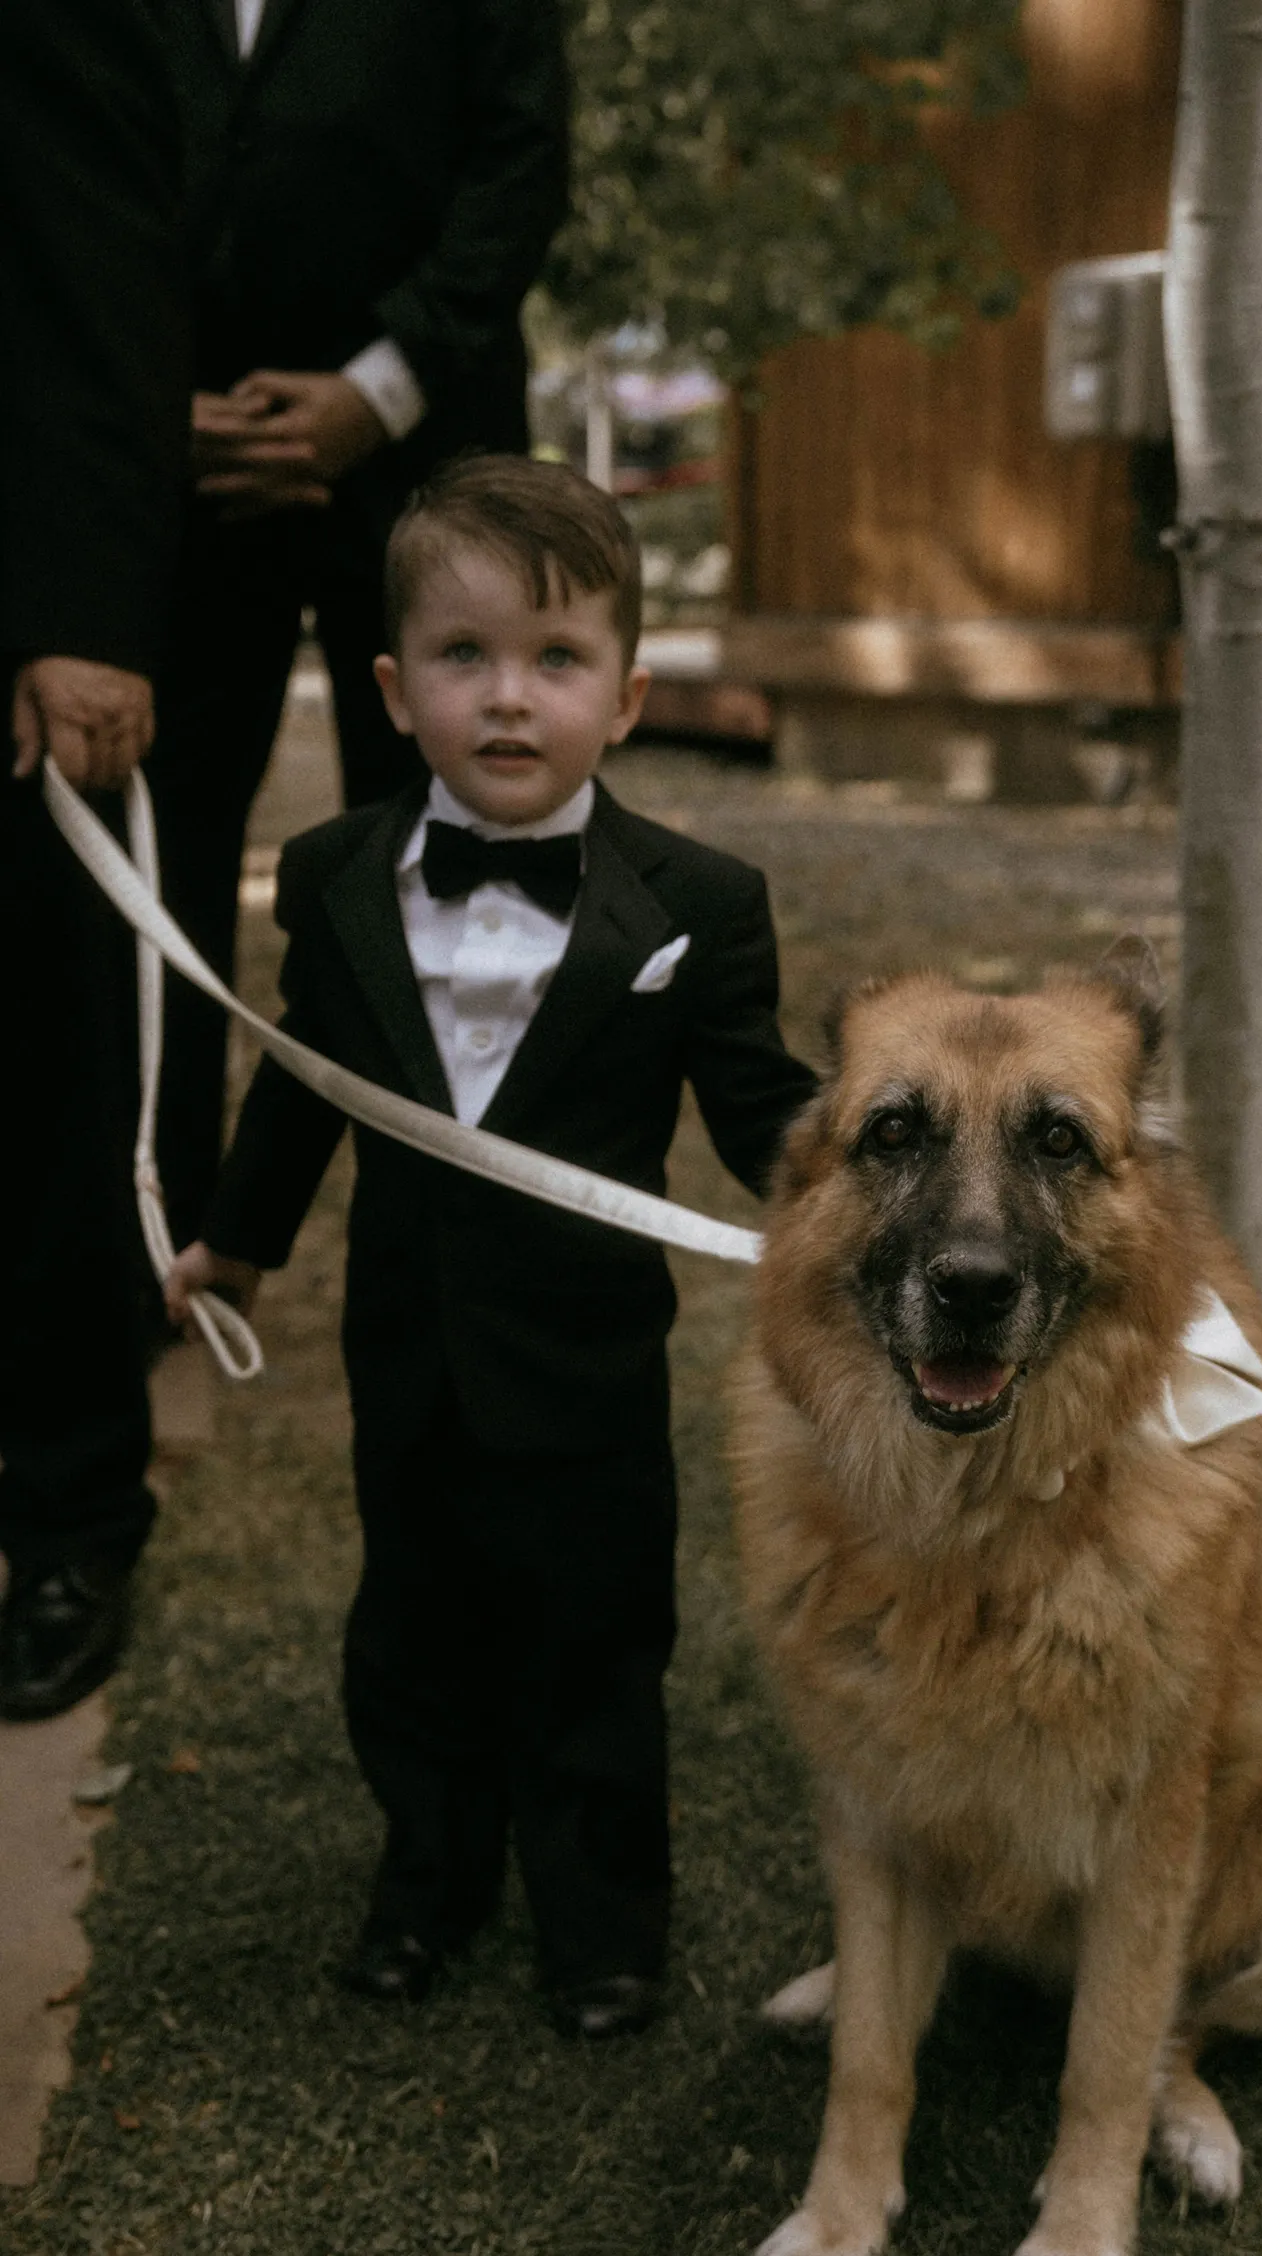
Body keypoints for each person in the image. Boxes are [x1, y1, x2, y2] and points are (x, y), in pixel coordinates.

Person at [165, 459, 817, 2036]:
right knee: (412, 1629)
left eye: (556, 658)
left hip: (588, 1367)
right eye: (465, 656)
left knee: (596, 1640)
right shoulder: (334, 875)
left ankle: (601, 1923)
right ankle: (428, 1882)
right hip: (409, 1351)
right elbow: (303, 1078)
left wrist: (872, 1196)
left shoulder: (700, 902)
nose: (510, 697)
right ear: (396, 690)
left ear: (627, 696)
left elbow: (760, 1113)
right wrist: (237, 1243)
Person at [150, 0, 571, 1250]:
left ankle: (450, 1244)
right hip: (172, 487)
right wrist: (150, 401)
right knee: (158, 865)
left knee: (449, 869)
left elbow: (521, 161)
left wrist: (374, 393)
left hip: (426, 476)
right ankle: (152, 1250)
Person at [0, 0, 190, 1721]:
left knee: (44, 1093)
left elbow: (92, 284)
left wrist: (77, 614)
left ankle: (65, 1521)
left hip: (18, 662)